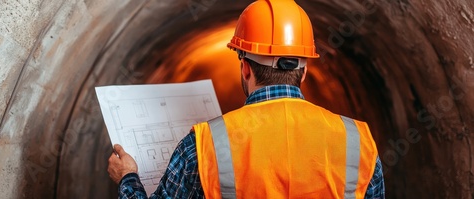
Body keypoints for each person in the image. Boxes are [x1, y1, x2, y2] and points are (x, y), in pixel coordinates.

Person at [108, 0, 385, 198]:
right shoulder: (357, 141)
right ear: (304, 71)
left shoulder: (205, 144)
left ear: (245, 67)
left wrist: (127, 178)